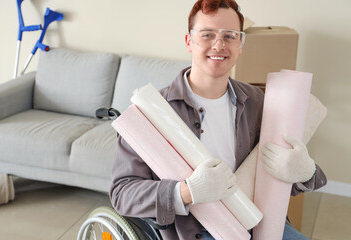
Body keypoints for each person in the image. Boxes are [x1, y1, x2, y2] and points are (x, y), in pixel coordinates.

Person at [110, 0, 327, 239]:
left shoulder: (257, 101)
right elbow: (123, 195)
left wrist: (306, 172)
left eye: (230, 36)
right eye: (207, 34)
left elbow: (276, 172)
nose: (219, 45)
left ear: (240, 44)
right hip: (195, 231)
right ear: (189, 42)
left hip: (259, 223)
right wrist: (187, 191)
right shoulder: (152, 110)